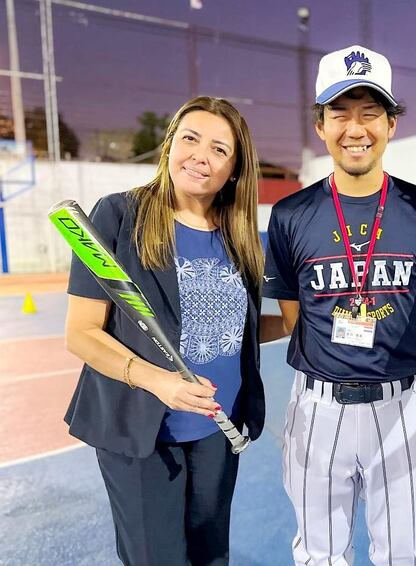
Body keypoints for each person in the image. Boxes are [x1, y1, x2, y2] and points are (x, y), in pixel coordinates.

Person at [64, 96, 286, 565]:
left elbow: (230, 327)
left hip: (216, 431)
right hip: (144, 432)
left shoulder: (239, 235)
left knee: (210, 556)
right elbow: (82, 333)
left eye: (220, 149)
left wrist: (294, 322)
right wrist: (159, 382)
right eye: (190, 138)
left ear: (234, 169)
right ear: (169, 146)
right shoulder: (119, 216)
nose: (201, 156)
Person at [262, 45, 416, 565]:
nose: (355, 128)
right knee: (319, 554)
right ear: (320, 126)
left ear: (392, 124)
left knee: (404, 554)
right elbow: (296, 318)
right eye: (339, 113)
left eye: (370, 113)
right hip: (317, 406)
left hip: (404, 404)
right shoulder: (290, 215)